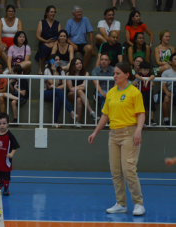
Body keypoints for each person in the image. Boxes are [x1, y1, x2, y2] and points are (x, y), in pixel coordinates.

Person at [88, 62, 146, 216]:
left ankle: (138, 203)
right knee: (115, 171)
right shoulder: (111, 93)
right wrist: (95, 132)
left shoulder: (134, 92)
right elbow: (105, 115)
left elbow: (141, 113)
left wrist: (138, 130)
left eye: (118, 73)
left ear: (127, 75)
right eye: (114, 73)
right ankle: (121, 203)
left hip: (129, 133)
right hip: (113, 134)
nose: (115, 76)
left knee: (129, 169)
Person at [0, 112, 20, 196]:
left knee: (6, 176)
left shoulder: (9, 135)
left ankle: (6, 188)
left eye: (4, 123)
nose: (2, 125)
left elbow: (15, 146)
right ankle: (1, 183)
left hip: (6, 160)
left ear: (8, 124)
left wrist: (11, 154)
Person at [44, 54, 77, 128]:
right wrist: (54, 71)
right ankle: (71, 111)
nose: (58, 61)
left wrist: (55, 87)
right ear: (51, 61)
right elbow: (51, 85)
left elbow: (64, 85)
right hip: (45, 93)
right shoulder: (47, 70)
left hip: (55, 92)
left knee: (57, 98)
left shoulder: (61, 71)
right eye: (56, 60)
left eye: (59, 60)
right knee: (59, 91)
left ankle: (54, 122)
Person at [67, 57, 99, 126]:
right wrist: (80, 86)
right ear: (73, 65)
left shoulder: (86, 73)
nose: (79, 65)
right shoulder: (68, 74)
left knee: (79, 99)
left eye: (80, 63)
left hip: (82, 94)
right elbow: (70, 88)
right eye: (77, 64)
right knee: (79, 91)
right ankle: (91, 112)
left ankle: (77, 122)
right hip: (71, 94)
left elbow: (85, 86)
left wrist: (76, 88)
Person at [35, 6, 61, 75]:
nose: (53, 14)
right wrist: (46, 42)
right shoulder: (41, 22)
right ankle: (40, 69)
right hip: (44, 42)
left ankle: (54, 69)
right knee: (44, 49)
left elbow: (60, 36)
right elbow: (38, 36)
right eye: (51, 12)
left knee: (55, 50)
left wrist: (55, 43)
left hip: (54, 43)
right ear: (47, 13)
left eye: (54, 12)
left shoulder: (58, 24)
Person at [135, 61, 156, 126]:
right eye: (144, 70)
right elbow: (136, 76)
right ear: (140, 70)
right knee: (143, 107)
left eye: (147, 70)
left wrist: (148, 80)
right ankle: (142, 121)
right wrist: (143, 79)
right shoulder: (139, 74)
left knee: (151, 107)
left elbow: (153, 76)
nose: (146, 71)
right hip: (142, 93)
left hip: (149, 92)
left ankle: (151, 120)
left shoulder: (149, 75)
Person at [161, 52, 176, 128]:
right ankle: (166, 119)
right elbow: (163, 85)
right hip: (170, 92)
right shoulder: (166, 72)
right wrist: (167, 92)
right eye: (175, 59)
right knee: (167, 99)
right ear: (170, 62)